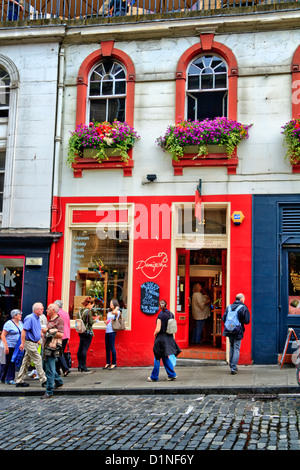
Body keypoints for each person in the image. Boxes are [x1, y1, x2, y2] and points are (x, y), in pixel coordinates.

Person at [147, 300, 181, 382]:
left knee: (157, 357)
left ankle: (154, 377)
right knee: (165, 357)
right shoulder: (171, 314)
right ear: (167, 305)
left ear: (159, 306)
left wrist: (154, 333)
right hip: (169, 337)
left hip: (161, 338)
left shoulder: (160, 316)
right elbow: (173, 327)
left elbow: (158, 329)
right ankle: (172, 374)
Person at [15, 302, 47, 387]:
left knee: (26, 362)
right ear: (36, 310)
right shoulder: (30, 318)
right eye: (41, 309)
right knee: (38, 359)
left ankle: (19, 380)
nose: (43, 310)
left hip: (34, 343)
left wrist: (39, 337)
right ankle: (44, 380)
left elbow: (38, 329)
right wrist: (22, 343)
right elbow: (24, 331)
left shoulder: (37, 318)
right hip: (29, 343)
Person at [222, 293, 250, 375]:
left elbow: (224, 318)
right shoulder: (243, 307)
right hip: (238, 330)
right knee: (236, 348)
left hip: (229, 330)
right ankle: (233, 368)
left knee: (231, 347)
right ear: (242, 299)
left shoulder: (229, 307)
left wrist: (230, 325)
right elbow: (247, 321)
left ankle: (231, 365)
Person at [41, 303, 64, 399]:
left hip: (52, 348)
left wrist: (47, 331)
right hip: (46, 347)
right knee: (46, 367)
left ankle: (49, 391)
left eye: (48, 309)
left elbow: (61, 335)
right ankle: (58, 382)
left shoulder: (59, 320)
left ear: (53, 310)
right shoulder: (50, 320)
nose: (46, 310)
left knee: (49, 369)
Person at [1, 309, 23, 384]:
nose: (20, 316)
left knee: (12, 362)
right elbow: (3, 335)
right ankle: (3, 377)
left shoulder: (21, 323)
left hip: (16, 347)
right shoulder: (8, 323)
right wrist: (6, 346)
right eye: (19, 314)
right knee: (5, 363)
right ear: (14, 316)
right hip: (9, 346)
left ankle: (10, 379)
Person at [76, 296, 98, 372]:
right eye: (92, 305)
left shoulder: (80, 311)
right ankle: (83, 366)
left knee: (80, 348)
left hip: (81, 331)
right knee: (84, 349)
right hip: (87, 332)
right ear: (89, 304)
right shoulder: (88, 312)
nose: (92, 307)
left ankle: (79, 365)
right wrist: (96, 320)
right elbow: (90, 322)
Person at [54, 300, 71, 377]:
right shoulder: (66, 313)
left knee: (58, 352)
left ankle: (65, 368)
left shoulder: (57, 314)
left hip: (60, 335)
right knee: (60, 352)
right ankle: (57, 370)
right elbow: (68, 324)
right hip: (66, 335)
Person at [103, 299, 120, 370]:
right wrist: (106, 322)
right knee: (107, 347)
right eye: (110, 303)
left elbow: (114, 313)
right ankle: (108, 362)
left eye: (112, 303)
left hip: (112, 331)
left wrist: (117, 308)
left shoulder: (117, 312)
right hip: (107, 330)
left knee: (112, 347)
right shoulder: (109, 312)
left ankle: (114, 363)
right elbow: (109, 319)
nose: (110, 304)